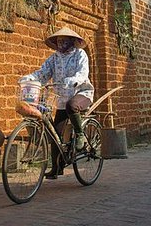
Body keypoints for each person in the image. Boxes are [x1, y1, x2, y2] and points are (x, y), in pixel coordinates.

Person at [19, 26, 94, 179]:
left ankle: (80, 134)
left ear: (72, 41)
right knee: (55, 134)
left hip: (81, 93)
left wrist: (74, 80)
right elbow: (43, 73)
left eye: (64, 41)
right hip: (62, 99)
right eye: (59, 41)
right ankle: (57, 168)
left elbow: (82, 73)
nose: (61, 43)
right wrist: (30, 78)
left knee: (71, 105)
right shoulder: (54, 58)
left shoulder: (80, 55)